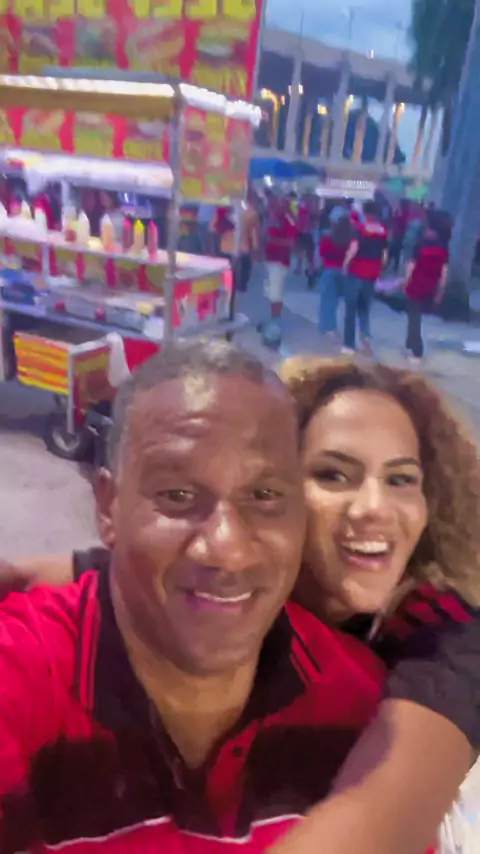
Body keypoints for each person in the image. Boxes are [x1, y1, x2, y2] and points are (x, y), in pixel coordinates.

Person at [2, 348, 479, 854]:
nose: (374, 508)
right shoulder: (39, 661)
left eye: (401, 479)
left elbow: (386, 805)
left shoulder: (438, 641)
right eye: (333, 475)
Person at [343, 201, 388, 354]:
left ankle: (349, 344)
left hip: (357, 270)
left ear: (365, 212)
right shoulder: (383, 231)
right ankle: (365, 337)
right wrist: (380, 269)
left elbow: (353, 248)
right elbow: (384, 254)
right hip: (372, 272)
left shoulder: (360, 229)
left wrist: (345, 264)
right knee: (364, 308)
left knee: (351, 309)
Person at [403, 226, 449, 363]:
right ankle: (410, 342)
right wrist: (440, 292)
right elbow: (444, 274)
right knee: (416, 318)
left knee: (414, 318)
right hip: (431, 287)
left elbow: (411, 267)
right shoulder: (443, 251)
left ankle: (416, 350)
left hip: (416, 285)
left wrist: (405, 282)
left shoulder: (419, 247)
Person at [262, 194, 297, 347]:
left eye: (276, 203)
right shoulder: (275, 218)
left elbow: (291, 242)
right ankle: (272, 319)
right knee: (270, 292)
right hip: (270, 260)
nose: (273, 205)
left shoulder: (288, 220)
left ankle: (275, 323)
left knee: (276, 293)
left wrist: (273, 241)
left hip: (279, 261)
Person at [318, 215, 353, 337]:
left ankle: (328, 327)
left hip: (329, 270)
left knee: (328, 301)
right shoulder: (350, 240)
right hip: (345, 272)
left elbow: (321, 254)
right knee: (341, 301)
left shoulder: (328, 238)